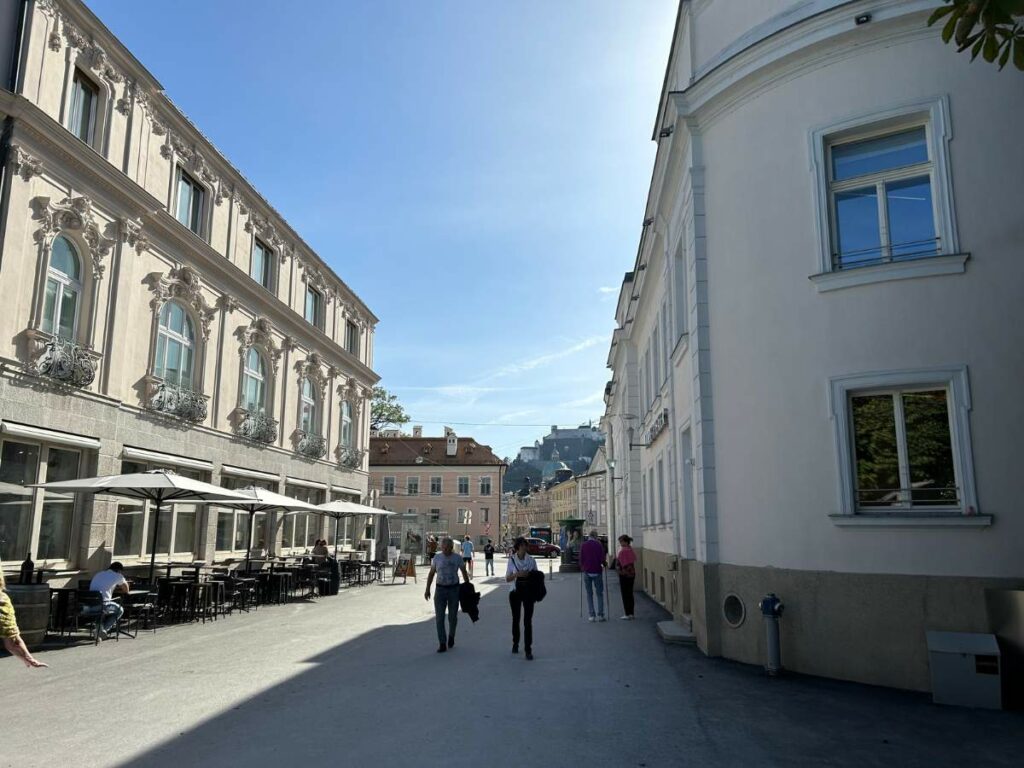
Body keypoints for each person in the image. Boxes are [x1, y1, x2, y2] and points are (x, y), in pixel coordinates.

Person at [424, 537, 470, 653]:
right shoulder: (437, 558)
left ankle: (451, 636)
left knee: (452, 617)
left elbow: (464, 572)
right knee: (439, 618)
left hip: (454, 589)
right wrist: (427, 589)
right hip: (440, 590)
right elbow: (431, 574)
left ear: (451, 547)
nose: (445, 550)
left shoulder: (457, 558)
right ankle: (442, 643)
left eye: (447, 548)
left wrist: (467, 587)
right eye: (443, 548)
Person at [0, 571, 47, 668]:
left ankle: (29, 660)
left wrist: (28, 658)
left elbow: (13, 640)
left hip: (2, 604)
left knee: (12, 639)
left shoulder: (3, 604)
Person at [506, 536, 539, 660]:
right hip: (515, 592)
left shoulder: (531, 560)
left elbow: (537, 577)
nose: (526, 547)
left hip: (528, 592)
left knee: (527, 621)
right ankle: (515, 643)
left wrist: (529, 574)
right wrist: (517, 574)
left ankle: (528, 650)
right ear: (519, 547)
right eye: (524, 545)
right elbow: (507, 578)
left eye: (526, 545)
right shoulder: (511, 560)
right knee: (516, 619)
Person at [89, 561, 129, 639]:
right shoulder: (118, 575)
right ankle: (101, 630)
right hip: (102, 606)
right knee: (120, 610)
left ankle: (99, 629)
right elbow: (126, 590)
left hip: (89, 605)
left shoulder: (99, 574)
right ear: (119, 570)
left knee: (104, 605)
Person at [580, 529, 606, 622]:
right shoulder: (599, 545)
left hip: (587, 571)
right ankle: (601, 615)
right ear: (595, 536)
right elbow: (602, 557)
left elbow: (581, 558)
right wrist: (604, 563)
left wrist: (582, 567)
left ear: (589, 536)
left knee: (589, 594)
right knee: (599, 594)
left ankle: (592, 615)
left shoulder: (584, 545)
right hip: (597, 571)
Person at [614, 535, 637, 620]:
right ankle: (631, 613)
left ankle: (627, 613)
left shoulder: (623, 551)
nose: (620, 543)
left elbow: (619, 563)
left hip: (624, 575)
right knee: (630, 594)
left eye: (621, 541)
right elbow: (633, 560)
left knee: (625, 594)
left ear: (625, 542)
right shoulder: (630, 549)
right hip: (631, 574)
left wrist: (618, 568)